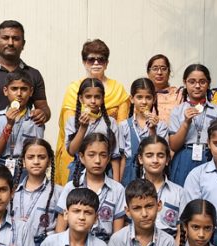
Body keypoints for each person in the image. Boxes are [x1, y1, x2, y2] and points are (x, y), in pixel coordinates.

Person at [55, 39, 130, 185]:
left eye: (101, 59)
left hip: (105, 162)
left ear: (107, 63)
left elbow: (121, 129)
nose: (96, 63)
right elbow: (70, 136)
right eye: (91, 59)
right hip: (77, 161)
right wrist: (83, 126)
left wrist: (116, 184)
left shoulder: (118, 89)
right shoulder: (74, 88)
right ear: (84, 62)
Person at [12, 138, 63, 246]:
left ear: (49, 160)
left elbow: (60, 230)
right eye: (31, 157)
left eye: (41, 157)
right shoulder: (11, 191)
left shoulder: (59, 192)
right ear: (23, 161)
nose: (36, 161)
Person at [55, 133, 126, 242]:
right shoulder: (72, 187)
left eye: (103, 155)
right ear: (82, 157)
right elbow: (60, 230)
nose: (97, 160)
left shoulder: (118, 190)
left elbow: (117, 235)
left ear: (108, 159)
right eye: (91, 155)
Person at [168, 64, 217, 186]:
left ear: (208, 83)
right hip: (184, 156)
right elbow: (173, 146)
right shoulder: (178, 111)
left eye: (202, 82)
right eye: (192, 82)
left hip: (210, 156)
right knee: (183, 195)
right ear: (185, 83)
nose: (197, 86)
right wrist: (186, 123)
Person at [0, 70, 45, 177]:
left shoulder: (36, 118)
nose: (19, 94)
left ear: (31, 91)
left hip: (26, 168)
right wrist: (9, 125)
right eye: (14, 89)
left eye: (24, 89)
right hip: (1, 166)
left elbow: (37, 150)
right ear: (5, 91)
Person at [64, 78, 121, 180]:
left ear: (103, 98)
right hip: (78, 173)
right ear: (81, 99)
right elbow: (72, 151)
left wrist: (116, 185)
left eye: (97, 97)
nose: (93, 101)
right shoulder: (72, 121)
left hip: (105, 173)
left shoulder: (110, 122)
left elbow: (115, 157)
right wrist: (82, 128)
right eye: (88, 97)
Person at [119, 78, 168, 187]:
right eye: (139, 97)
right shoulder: (124, 126)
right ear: (132, 99)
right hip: (129, 174)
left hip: (153, 174)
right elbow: (121, 158)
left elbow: (158, 150)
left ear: (154, 99)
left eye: (148, 97)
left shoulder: (161, 126)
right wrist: (118, 184)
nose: (144, 102)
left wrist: (152, 129)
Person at [135, 136, 184, 238]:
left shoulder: (179, 192)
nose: (155, 160)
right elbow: (127, 225)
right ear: (140, 159)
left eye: (160, 156)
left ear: (167, 160)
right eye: (149, 155)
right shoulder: (131, 190)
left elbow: (182, 230)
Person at [146, 54, 183, 125]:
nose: (159, 72)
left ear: (169, 72)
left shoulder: (178, 95)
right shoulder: (141, 95)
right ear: (148, 72)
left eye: (163, 68)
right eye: (155, 68)